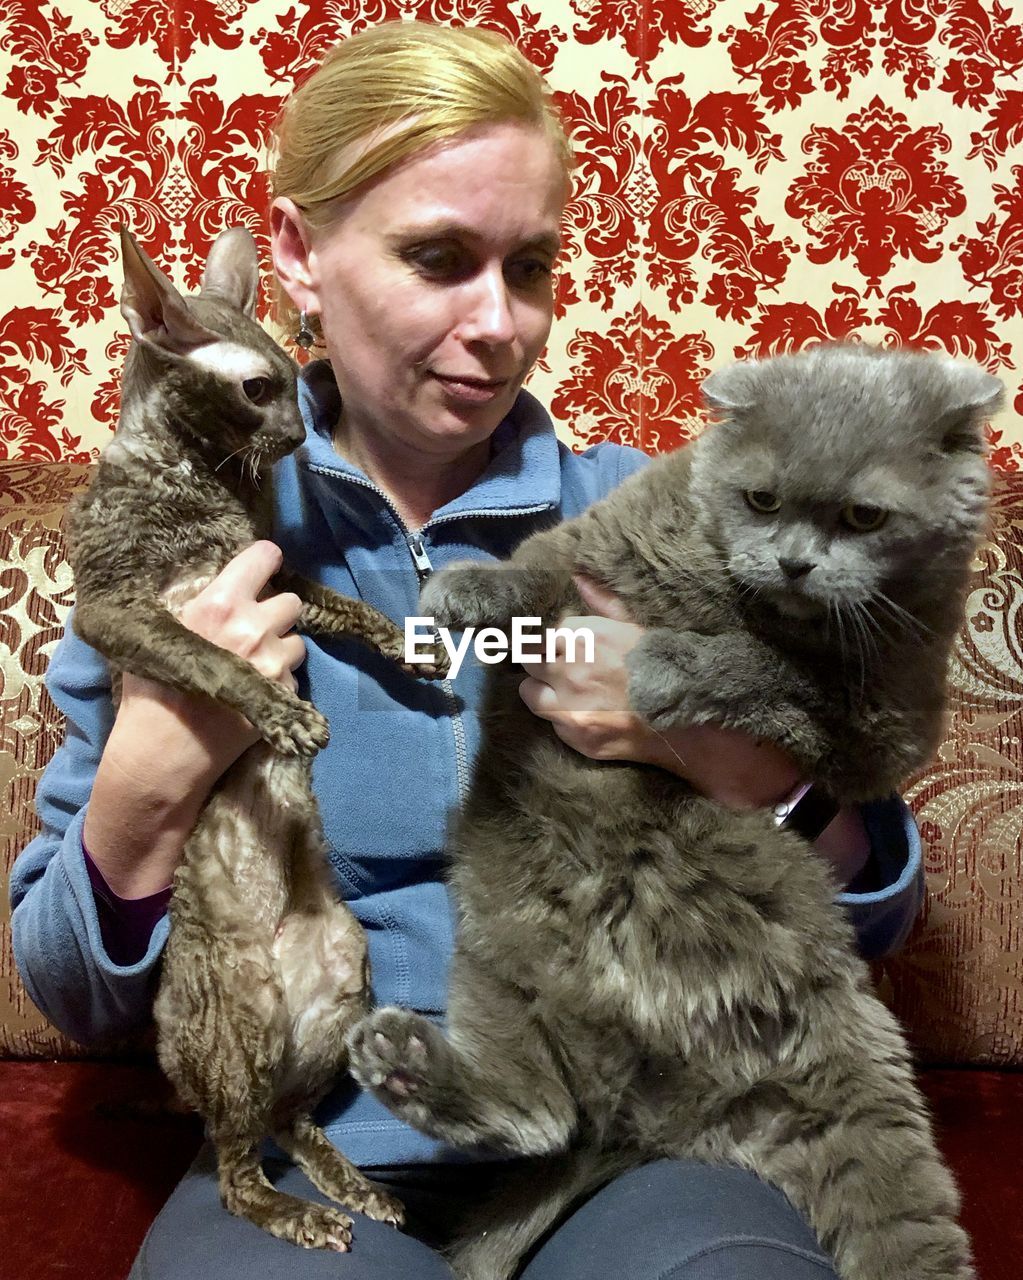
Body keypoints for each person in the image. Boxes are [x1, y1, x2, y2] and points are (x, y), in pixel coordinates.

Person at [10, 21, 923, 1279]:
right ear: (296, 257)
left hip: (629, 1144)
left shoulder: (657, 520)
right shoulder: (181, 556)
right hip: (311, 1145)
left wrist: (722, 753)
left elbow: (878, 911)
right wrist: (148, 783)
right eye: (438, 258)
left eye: (532, 265)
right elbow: (75, 989)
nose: (501, 324)